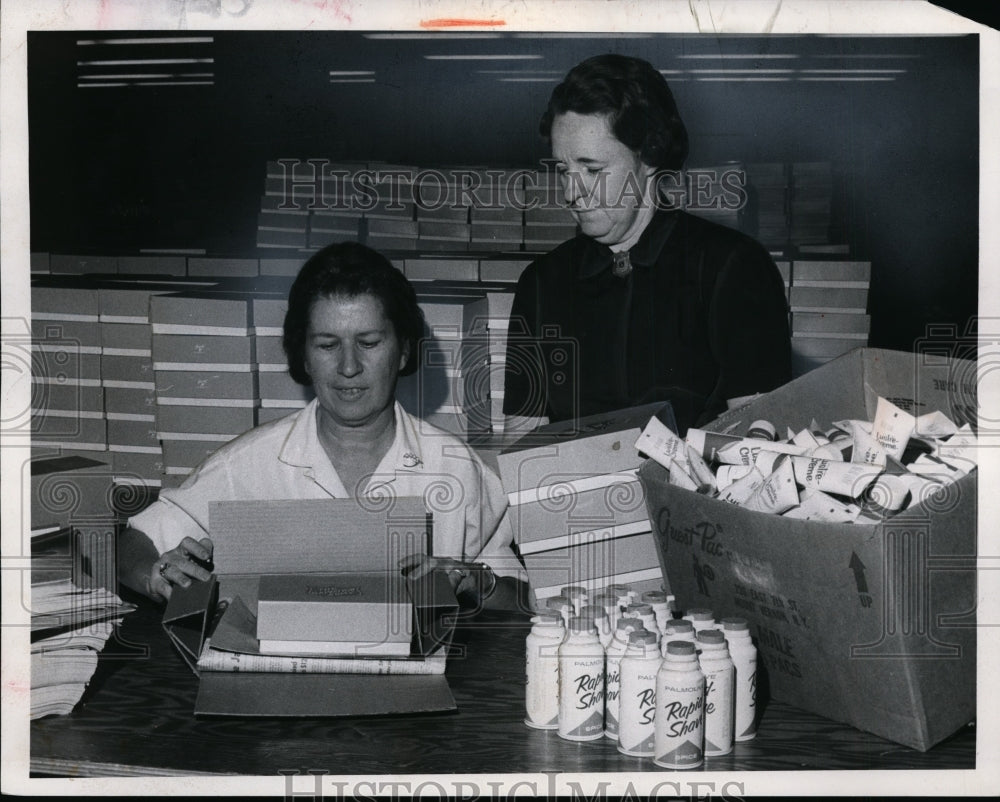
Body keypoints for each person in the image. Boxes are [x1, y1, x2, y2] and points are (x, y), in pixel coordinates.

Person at [119, 241, 528, 610]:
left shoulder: (458, 468)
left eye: (369, 343)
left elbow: (522, 599)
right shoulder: (245, 463)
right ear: (304, 355)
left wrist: (478, 583)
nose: (349, 367)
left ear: (403, 350)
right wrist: (153, 576)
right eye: (327, 345)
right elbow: (134, 544)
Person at [503, 54, 791, 436]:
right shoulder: (541, 283)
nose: (572, 192)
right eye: (563, 170)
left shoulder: (733, 267)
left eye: (592, 170)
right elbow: (523, 439)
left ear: (650, 157)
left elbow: (760, 435)